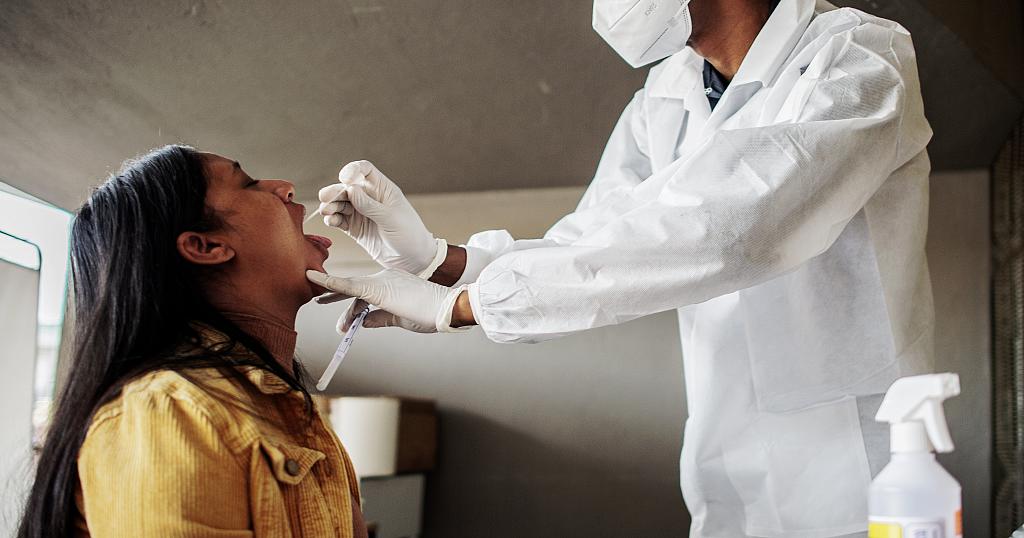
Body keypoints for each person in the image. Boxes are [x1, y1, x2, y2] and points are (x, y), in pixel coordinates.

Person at [307, 0, 934, 536]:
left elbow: (736, 233)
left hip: (860, 461)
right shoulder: (663, 98)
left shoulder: (858, 59)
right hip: (726, 461)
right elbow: (595, 243)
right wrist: (439, 261)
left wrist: (466, 307)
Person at [18, 145, 368, 538]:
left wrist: (430, 279)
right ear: (206, 247)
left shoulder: (277, 407)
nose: (285, 187)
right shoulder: (168, 412)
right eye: (249, 184)